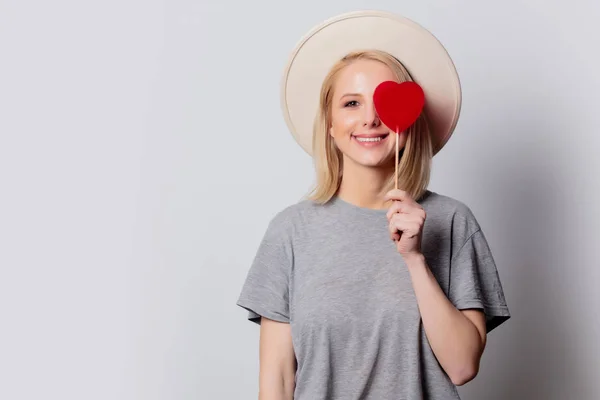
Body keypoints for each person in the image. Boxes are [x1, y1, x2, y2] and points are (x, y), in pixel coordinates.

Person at [236, 10, 510, 400]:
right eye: (351, 103)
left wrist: (415, 259)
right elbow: (277, 381)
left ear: (409, 119)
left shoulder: (452, 222)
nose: (370, 119)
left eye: (384, 101)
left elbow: (463, 366)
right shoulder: (289, 231)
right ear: (329, 125)